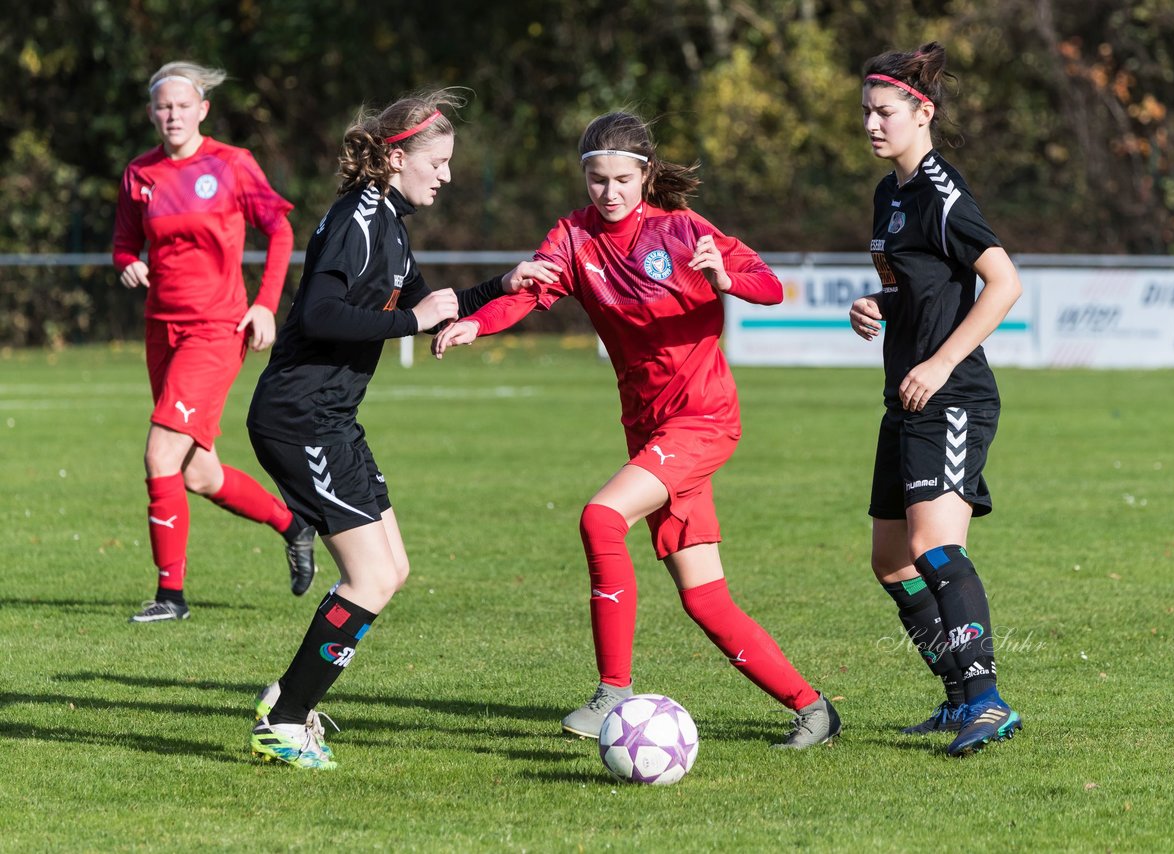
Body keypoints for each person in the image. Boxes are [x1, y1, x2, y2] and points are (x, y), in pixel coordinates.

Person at [433, 111, 841, 750]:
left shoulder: (682, 230)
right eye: (597, 180)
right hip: (649, 430)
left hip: (703, 419)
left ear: (645, 176)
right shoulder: (573, 237)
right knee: (704, 598)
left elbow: (769, 287)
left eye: (622, 179)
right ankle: (814, 708)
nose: (610, 192)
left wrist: (724, 278)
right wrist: (477, 323)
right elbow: (529, 292)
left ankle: (612, 692)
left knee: (600, 518)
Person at [245, 90, 552, 770]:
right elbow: (321, 314)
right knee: (372, 576)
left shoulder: (390, 223)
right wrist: (412, 323)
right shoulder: (358, 216)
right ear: (395, 157)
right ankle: (286, 719)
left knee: (392, 570)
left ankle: (288, 698)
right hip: (301, 420)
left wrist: (502, 284)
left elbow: (428, 304)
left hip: (333, 420)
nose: (445, 175)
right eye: (436, 162)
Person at [849, 43, 1024, 756]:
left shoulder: (943, 192)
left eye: (883, 112)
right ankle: (957, 699)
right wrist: (877, 305)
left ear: (923, 113)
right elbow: (916, 290)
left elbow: (1004, 283)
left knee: (933, 546)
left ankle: (987, 700)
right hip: (907, 397)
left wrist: (943, 360)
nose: (869, 124)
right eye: (864, 112)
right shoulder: (889, 194)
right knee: (891, 560)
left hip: (952, 396)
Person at [112, 61, 316, 624]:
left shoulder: (231, 164)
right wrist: (128, 263)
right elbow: (124, 244)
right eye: (163, 106)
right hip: (162, 330)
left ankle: (170, 598)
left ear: (202, 109)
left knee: (159, 454)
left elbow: (279, 229)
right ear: (153, 113)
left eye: (182, 105)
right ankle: (292, 524)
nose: (172, 114)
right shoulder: (140, 173)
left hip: (215, 329)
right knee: (198, 473)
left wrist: (266, 303)